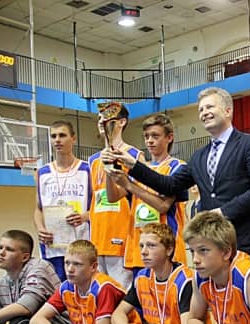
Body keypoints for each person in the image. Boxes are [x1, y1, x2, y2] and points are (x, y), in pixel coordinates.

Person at [106, 87, 250, 266]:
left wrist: (224, 212)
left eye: (210, 107)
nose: (204, 113)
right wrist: (133, 164)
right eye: (201, 109)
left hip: (244, 244)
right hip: (210, 247)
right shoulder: (199, 156)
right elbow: (169, 185)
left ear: (228, 111)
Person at [105, 114, 188, 274]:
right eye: (146, 136)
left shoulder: (178, 167)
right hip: (139, 245)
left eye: (155, 136)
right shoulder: (139, 169)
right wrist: (109, 170)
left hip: (166, 247)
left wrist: (129, 185)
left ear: (169, 137)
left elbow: (163, 206)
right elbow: (112, 197)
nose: (149, 141)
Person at [87, 103, 138, 290]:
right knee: (100, 293)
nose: (102, 121)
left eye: (107, 117)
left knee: (121, 293)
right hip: (97, 238)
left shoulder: (133, 155)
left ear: (122, 122)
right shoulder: (93, 160)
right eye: (99, 118)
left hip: (121, 237)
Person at [33, 120, 91, 281]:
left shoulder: (88, 169)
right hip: (52, 246)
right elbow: (38, 209)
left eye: (62, 135)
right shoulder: (42, 172)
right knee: (56, 290)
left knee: (80, 287)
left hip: (81, 242)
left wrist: (84, 216)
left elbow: (99, 207)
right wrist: (40, 229)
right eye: (53, 136)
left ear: (73, 138)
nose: (57, 140)